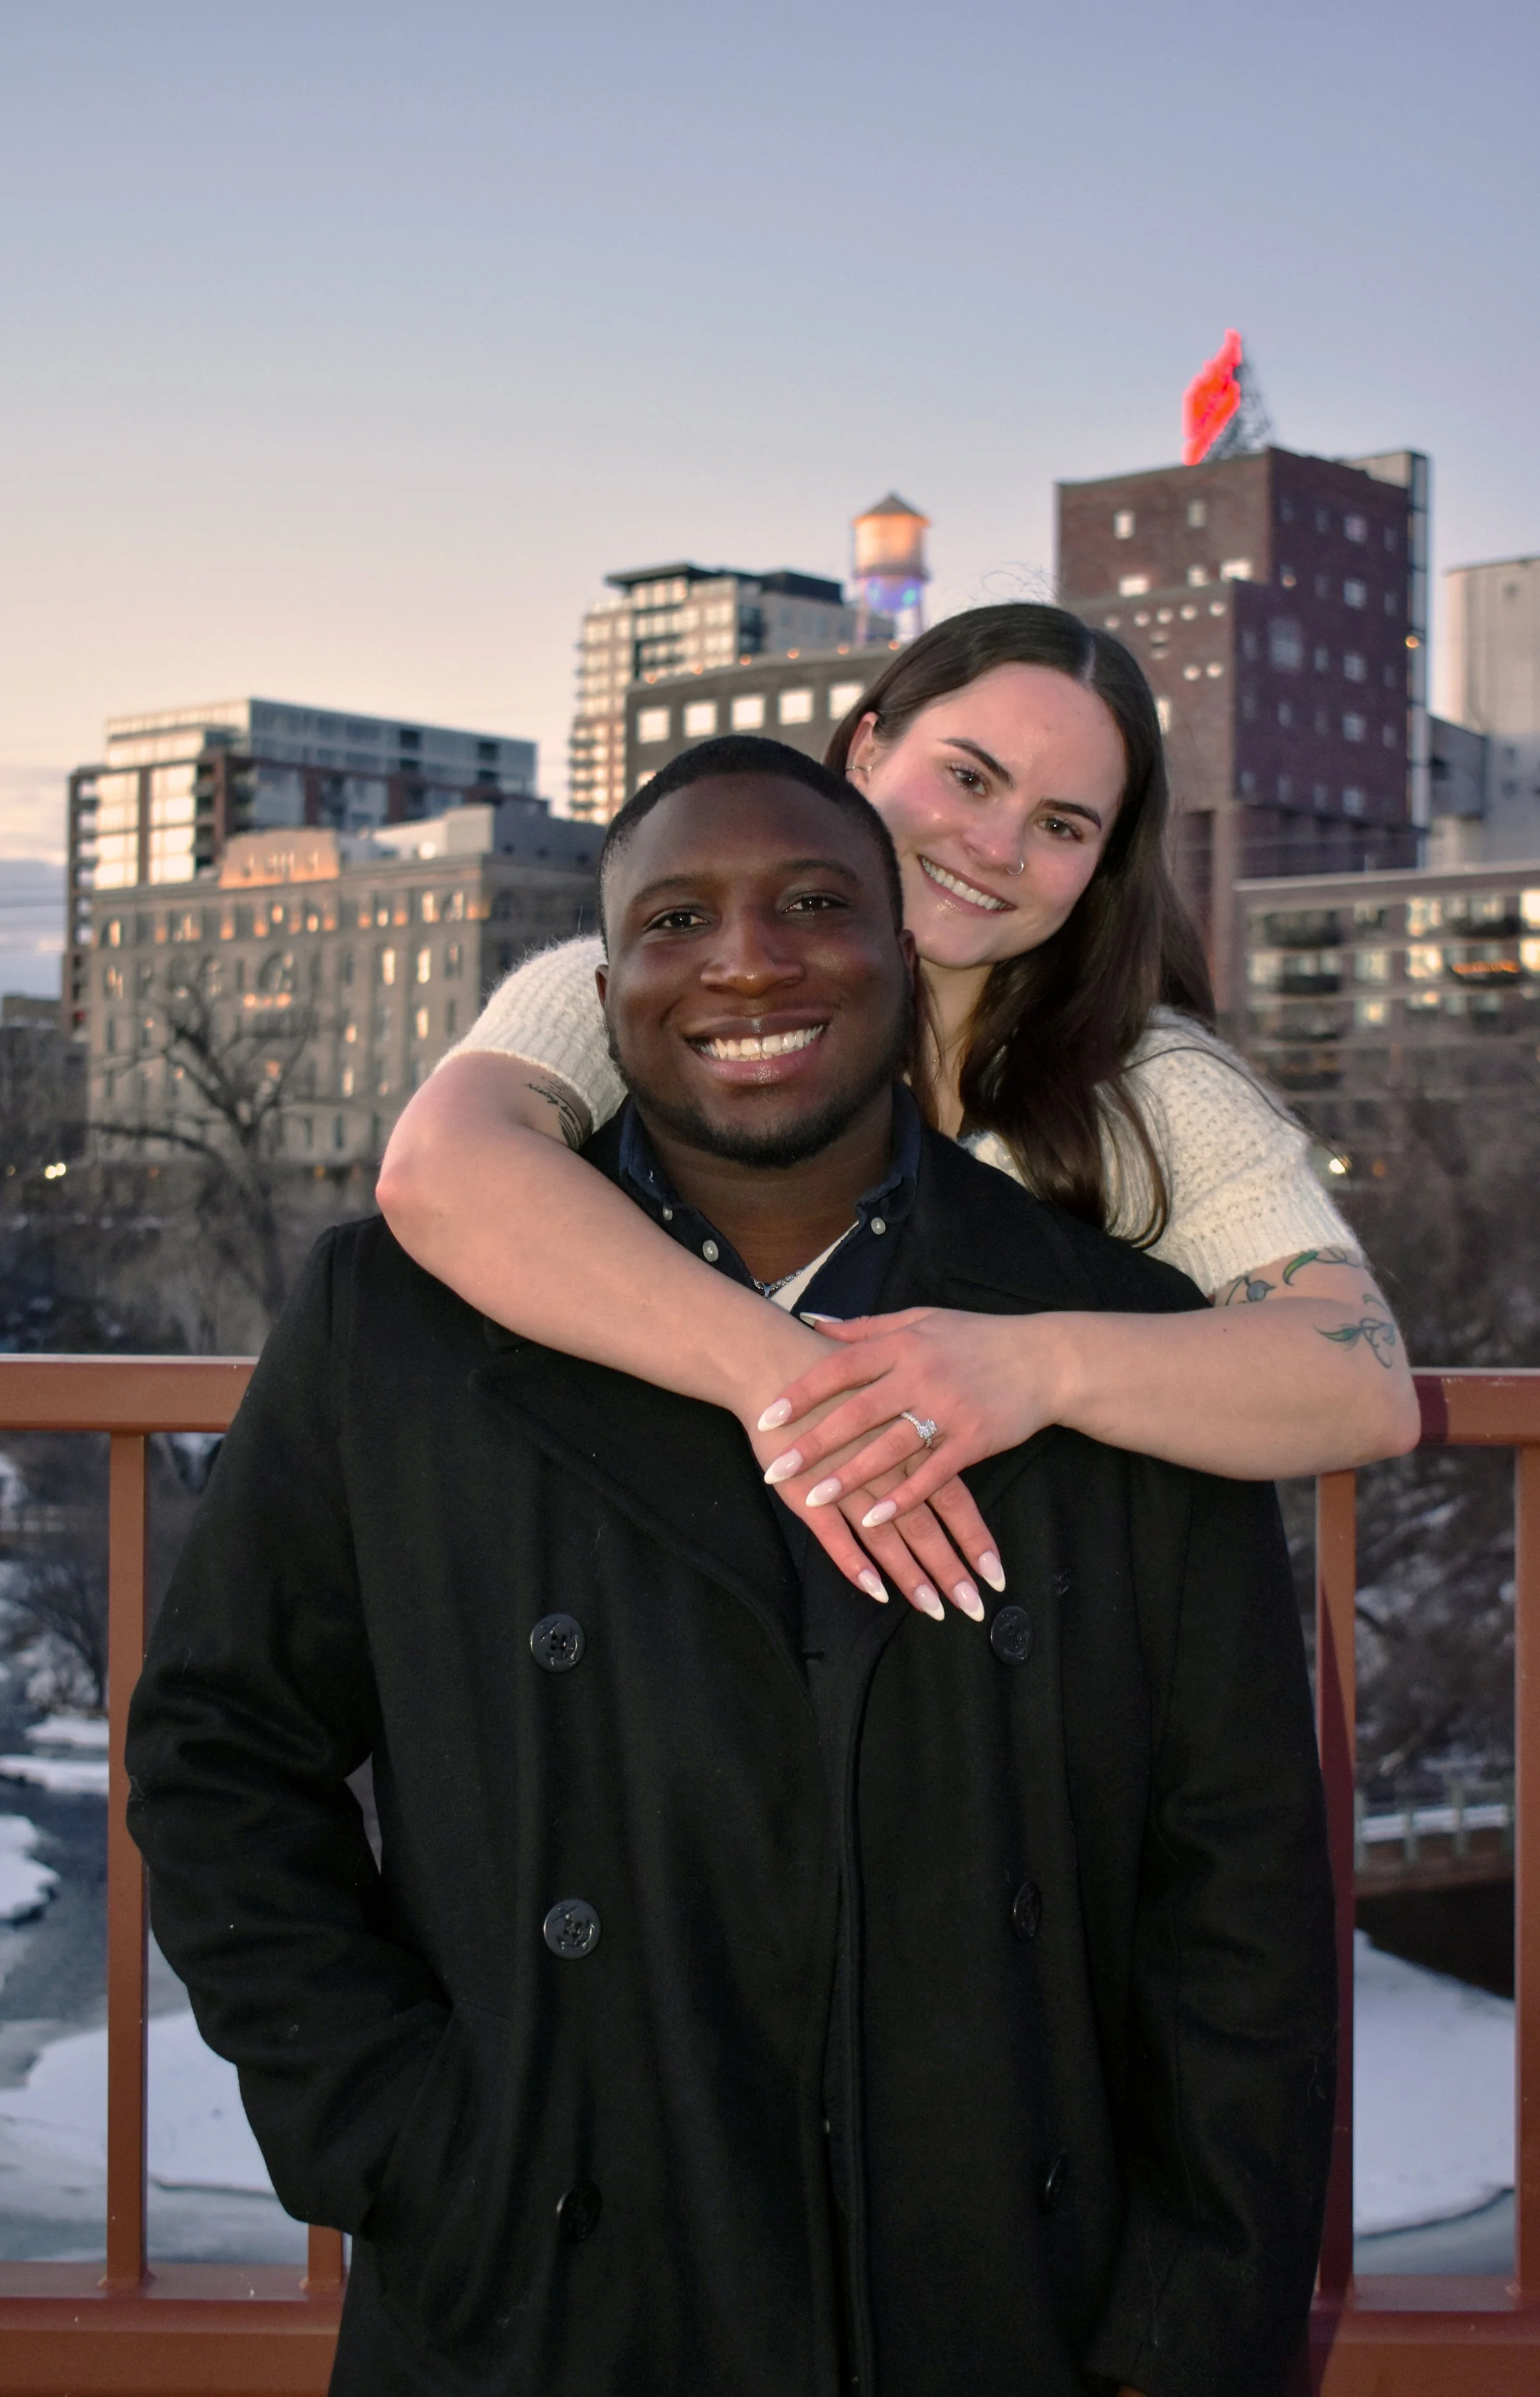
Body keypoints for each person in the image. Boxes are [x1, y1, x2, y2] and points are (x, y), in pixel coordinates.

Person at [127, 747, 1335, 2396]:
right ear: (602, 994)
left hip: (1000, 2298)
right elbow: (219, 1753)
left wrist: (1190, 2328)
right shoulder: (390, 1322)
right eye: (677, 919)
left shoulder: (1112, 1337)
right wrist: (405, 2140)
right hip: (544, 2295)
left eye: (815, 904)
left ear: (902, 959)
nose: (748, 962)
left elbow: (1235, 1881)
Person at [379, 604, 1420, 1616]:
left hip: (1015, 1645)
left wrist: (1035, 1367)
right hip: (656, 1618)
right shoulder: (659, 990)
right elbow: (438, 1171)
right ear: (868, 750)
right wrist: (798, 1387)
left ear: (1101, 868)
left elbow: (1363, 1384)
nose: (997, 846)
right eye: (969, 778)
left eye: (1060, 824)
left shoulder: (1153, 1083)